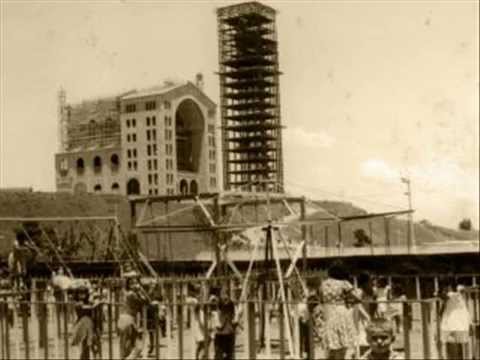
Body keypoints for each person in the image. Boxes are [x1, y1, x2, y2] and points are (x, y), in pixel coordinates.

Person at [319, 261, 361, 359]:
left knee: (332, 341)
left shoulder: (323, 284)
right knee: (343, 341)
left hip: (328, 312)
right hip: (341, 311)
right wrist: (349, 301)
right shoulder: (344, 283)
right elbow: (357, 297)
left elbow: (321, 299)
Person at [117, 266, 149, 359]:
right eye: (132, 283)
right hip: (128, 320)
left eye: (136, 282)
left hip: (126, 320)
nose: (135, 284)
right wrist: (141, 289)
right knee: (135, 347)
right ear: (128, 284)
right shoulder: (131, 294)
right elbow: (146, 301)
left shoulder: (127, 293)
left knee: (130, 347)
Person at [439, 278, 471, 360]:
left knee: (452, 345)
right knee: (458, 345)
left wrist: (438, 293)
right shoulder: (457, 294)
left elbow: (443, 297)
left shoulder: (452, 294)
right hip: (459, 322)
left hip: (453, 323)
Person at [213, 286, 236, 360]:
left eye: (225, 293)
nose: (224, 295)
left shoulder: (226, 302)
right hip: (225, 331)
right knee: (225, 354)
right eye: (223, 293)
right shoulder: (227, 302)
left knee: (223, 354)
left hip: (224, 332)